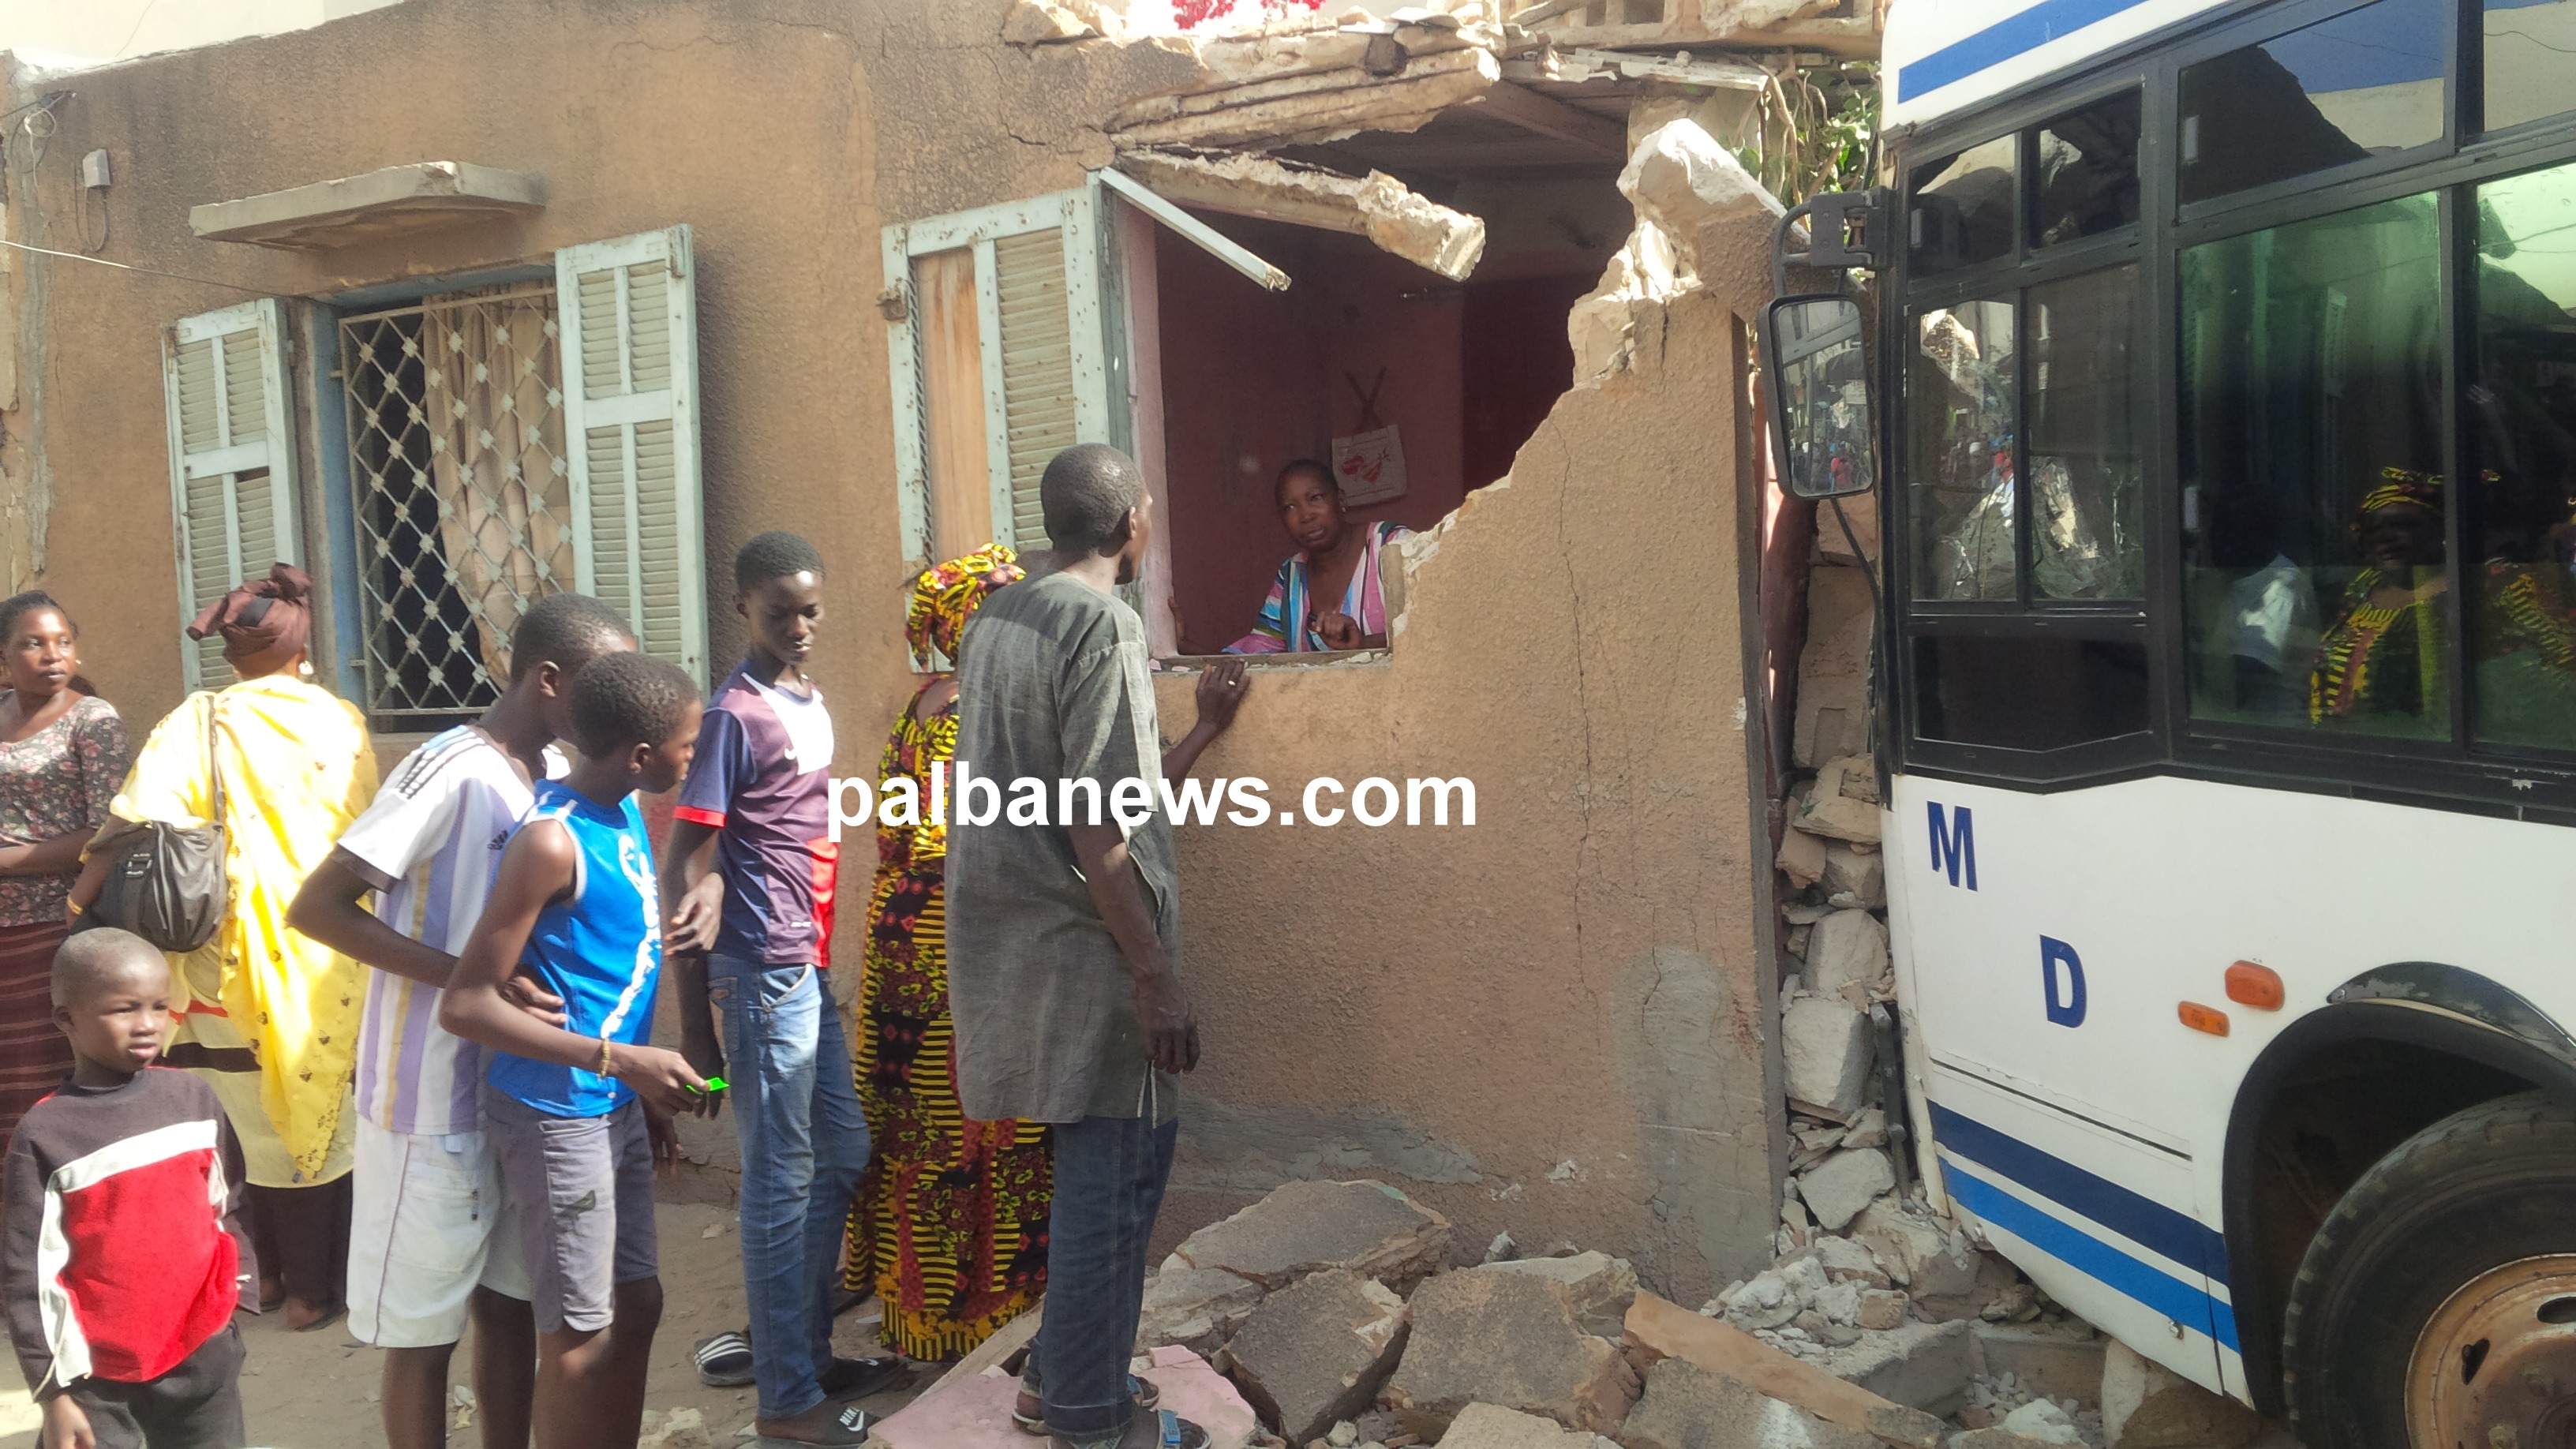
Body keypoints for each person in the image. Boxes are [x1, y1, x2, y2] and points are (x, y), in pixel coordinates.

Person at [949, 444, 1250, 1449]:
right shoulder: (1102, 622)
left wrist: (1201, 734)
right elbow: (1099, 826)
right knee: (1115, 1182)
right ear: (1132, 524)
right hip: (1092, 949)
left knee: (1093, 1169)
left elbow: (1078, 785)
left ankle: (1060, 1386)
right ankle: (1089, 1418)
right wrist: (1156, 979)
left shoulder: (1003, 616)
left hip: (1016, 937)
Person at [286, 592, 639, 1449]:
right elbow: (318, 907)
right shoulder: (451, 767)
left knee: (511, 1307)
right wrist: (474, 980)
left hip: (516, 1094)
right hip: (426, 1101)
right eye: (604, 680)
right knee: (422, 1334)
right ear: (548, 679)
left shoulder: (556, 776)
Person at [72, 564, 374, 1332]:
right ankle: (314, 1291)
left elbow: (133, 820)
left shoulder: (197, 720)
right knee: (310, 1121)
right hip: (322, 958)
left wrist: (80, 905)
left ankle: (266, 1281)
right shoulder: (340, 722)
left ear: (232, 657)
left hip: (217, 961)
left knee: (238, 1126)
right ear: (302, 649)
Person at [664, 531, 902, 1444]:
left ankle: (797, 1351)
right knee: (777, 1185)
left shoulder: (805, 696)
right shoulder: (735, 714)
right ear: (742, 611)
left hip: (803, 965)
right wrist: (698, 1031)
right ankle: (787, 1404)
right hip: (759, 978)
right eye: (777, 614)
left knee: (839, 1155)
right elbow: (684, 855)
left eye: (809, 610)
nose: (798, 627)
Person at [437, 650, 710, 1449]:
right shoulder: (551, 843)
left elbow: (602, 968)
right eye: (687, 747)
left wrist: (635, 1088)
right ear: (639, 754)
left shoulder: (622, 810)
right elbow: (467, 1002)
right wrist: (622, 1063)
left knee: (641, 1304)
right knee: (580, 1338)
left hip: (607, 1101)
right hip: (557, 1113)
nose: (694, 758)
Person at [844, 543, 1057, 1365]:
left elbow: (899, 832)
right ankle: (979, 1316)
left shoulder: (920, 704)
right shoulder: (986, 709)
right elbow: (975, 841)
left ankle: (914, 1312)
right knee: (985, 1127)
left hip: (901, 935)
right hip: (957, 941)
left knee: (916, 1131)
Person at [3, 928, 255, 1449]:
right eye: (124, 1009)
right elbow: (31, 1273)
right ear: (66, 1019)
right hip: (100, 1380)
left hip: (202, 1351)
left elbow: (226, 1203)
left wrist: (235, 1298)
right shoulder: (46, 1134)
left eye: (159, 1006)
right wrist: (56, 1394)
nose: (147, 1025)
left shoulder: (191, 1096)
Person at [0, 593, 127, 1148]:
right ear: (3, 656)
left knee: (41, 1073)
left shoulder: (92, 721)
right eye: (34, 643)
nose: (53, 655)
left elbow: (111, 829)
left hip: (57, 925)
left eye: (63, 642)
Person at [2312, 468, 2451, 728]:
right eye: (2375, 529)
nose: (2386, 537)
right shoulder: (2361, 590)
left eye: (2403, 525)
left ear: (2440, 532)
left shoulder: (2464, 595)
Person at [1226, 460, 1410, 653]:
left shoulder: (1394, 546)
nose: (1306, 516)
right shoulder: (1290, 575)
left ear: (1340, 500)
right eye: (1290, 507)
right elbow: (1261, 649)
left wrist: (1364, 644)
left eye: (1315, 498)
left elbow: (1437, 627)